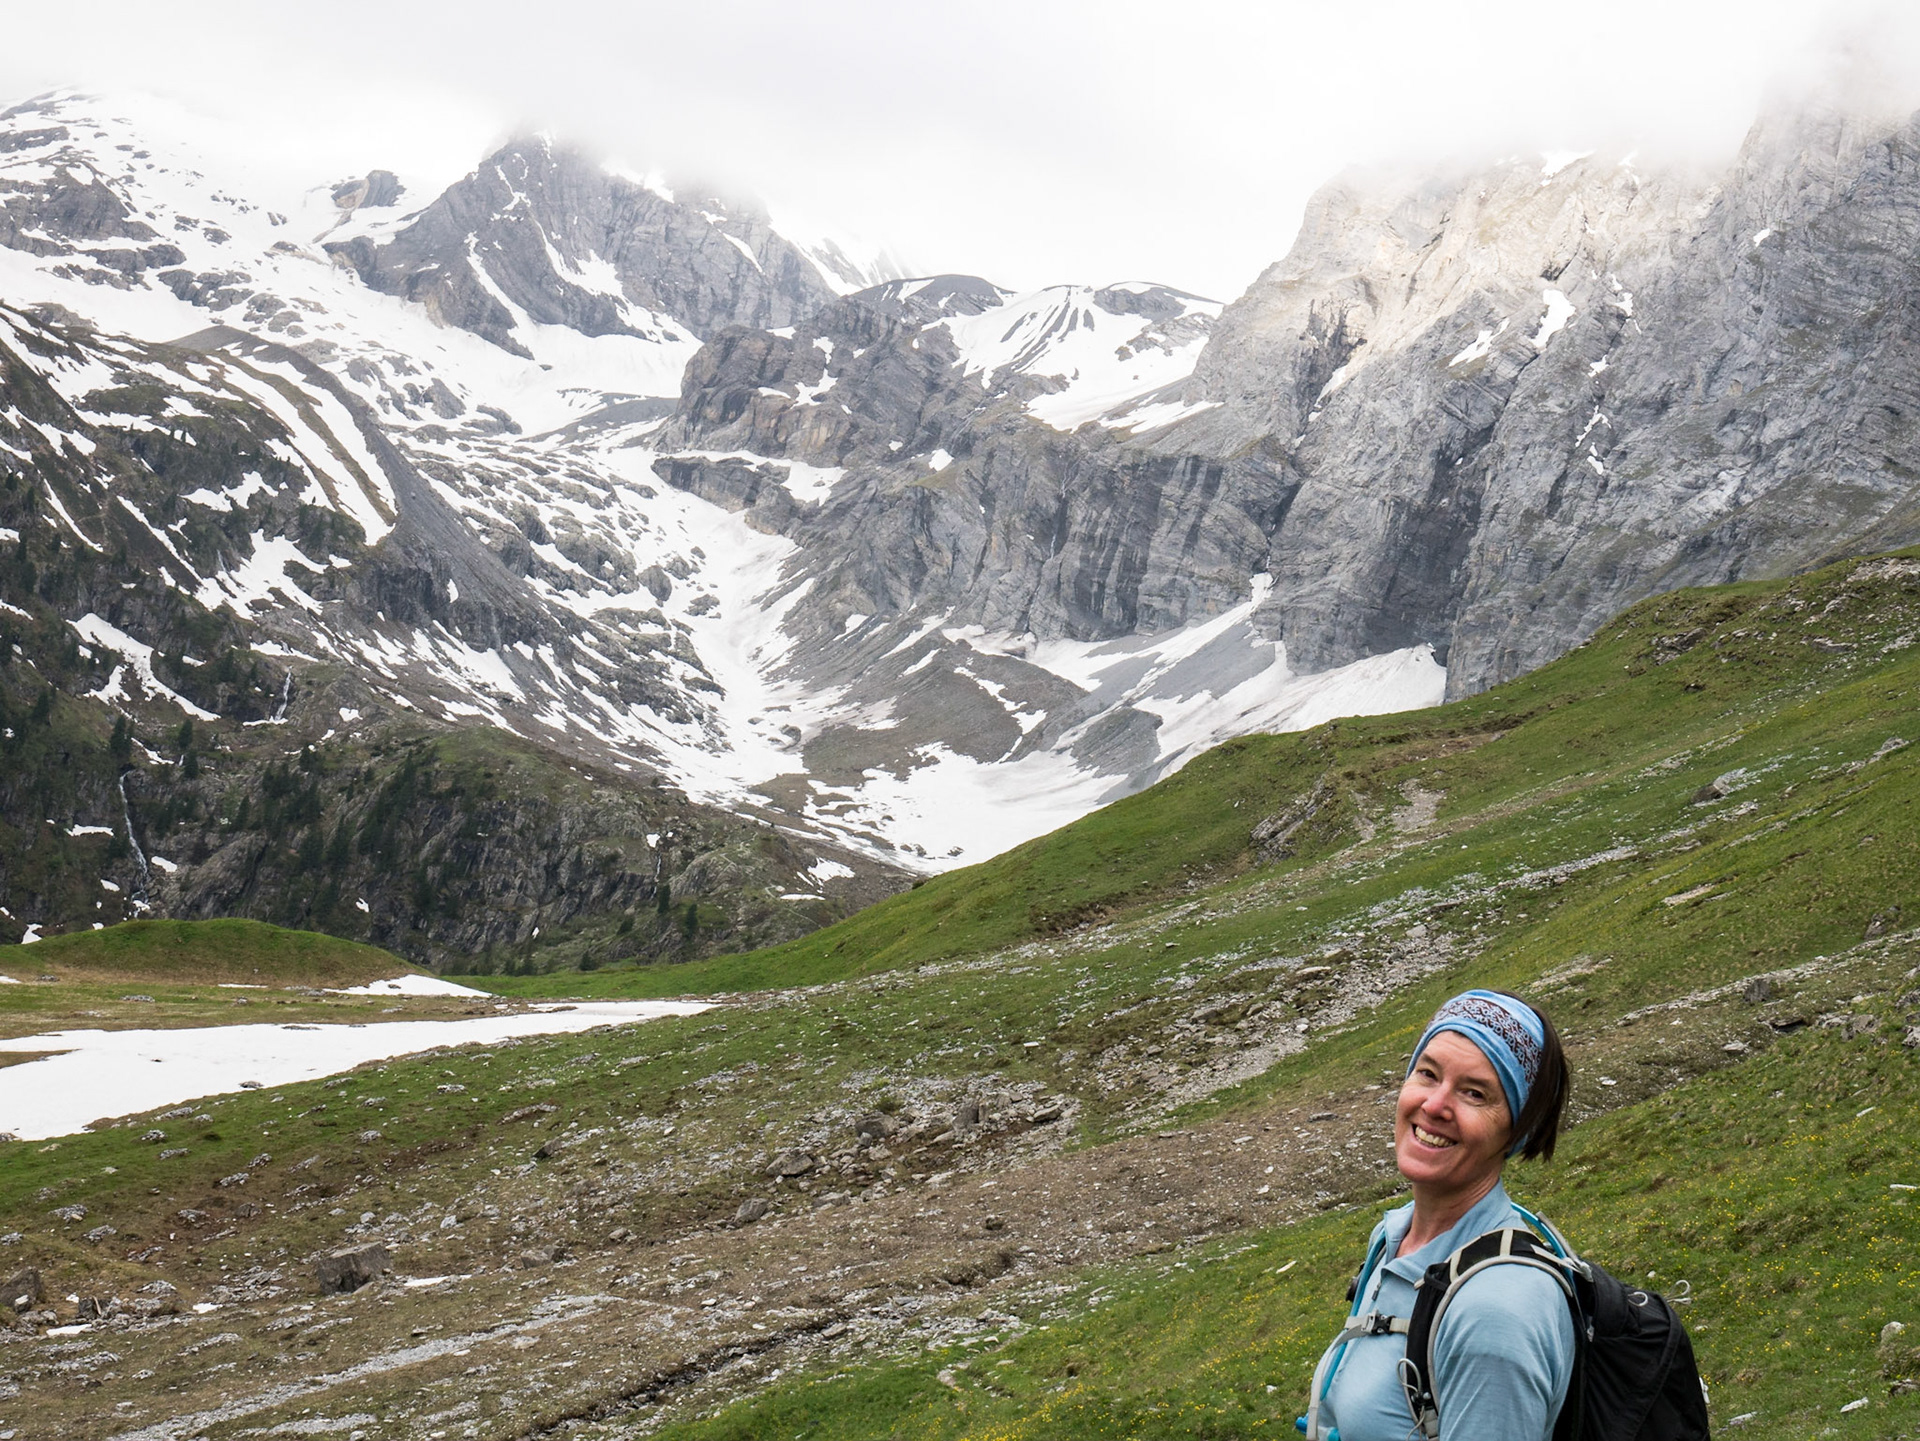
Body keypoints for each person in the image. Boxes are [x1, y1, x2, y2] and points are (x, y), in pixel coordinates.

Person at [1302, 989, 1575, 1441]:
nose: (1434, 1106)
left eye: (1474, 1093)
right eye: (1428, 1074)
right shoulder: (1393, 1236)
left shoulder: (1497, 1312)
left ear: (1517, 1130)